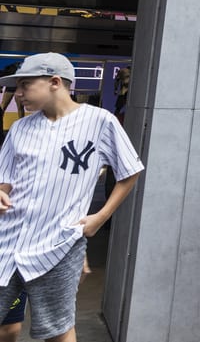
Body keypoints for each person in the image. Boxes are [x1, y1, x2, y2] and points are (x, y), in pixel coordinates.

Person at [0, 53, 144, 342]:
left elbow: (130, 171)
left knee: (57, 330)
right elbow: (5, 180)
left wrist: (99, 219)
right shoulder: (20, 129)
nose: (18, 93)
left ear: (54, 82)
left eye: (25, 85)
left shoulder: (99, 121)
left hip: (59, 245)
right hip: (7, 242)